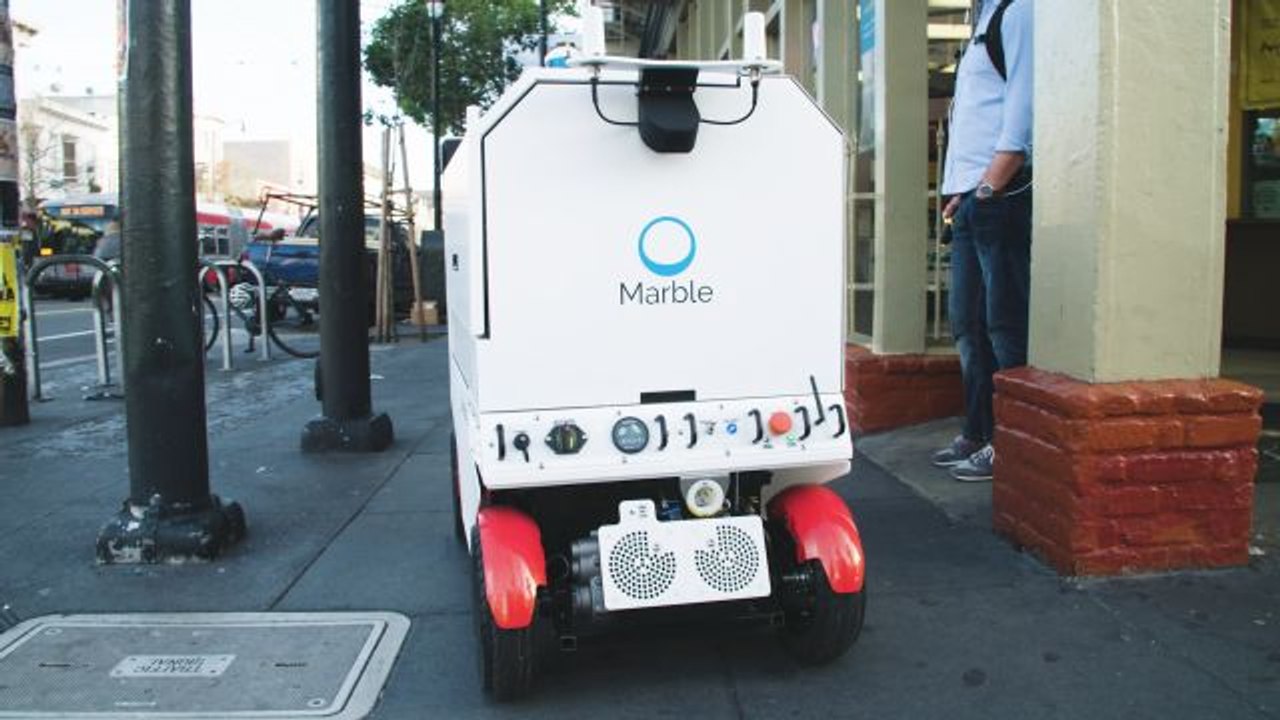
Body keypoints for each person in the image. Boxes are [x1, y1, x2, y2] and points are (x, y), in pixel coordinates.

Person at [932, 0, 1034, 482]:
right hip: (973, 196)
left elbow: (1024, 96)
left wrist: (993, 182)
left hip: (1000, 193)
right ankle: (978, 430)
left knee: (1004, 325)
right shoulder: (984, 20)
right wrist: (963, 192)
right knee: (968, 325)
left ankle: (1009, 443)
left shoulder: (1021, 10)